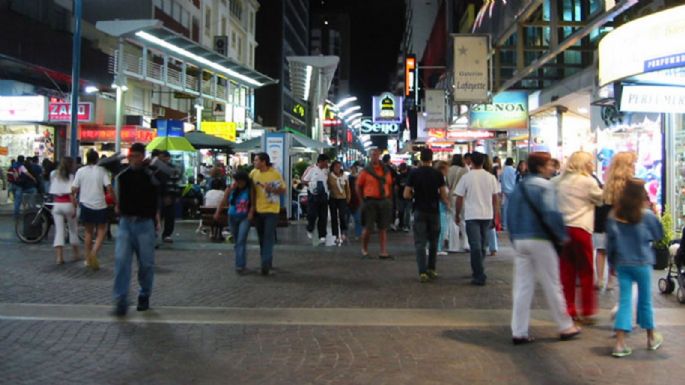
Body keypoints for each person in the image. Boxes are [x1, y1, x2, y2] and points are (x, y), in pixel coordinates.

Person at [506, 152, 581, 345]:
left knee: (522, 287)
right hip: (541, 239)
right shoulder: (546, 187)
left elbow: (510, 214)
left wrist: (514, 238)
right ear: (540, 167)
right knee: (552, 284)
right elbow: (551, 214)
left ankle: (519, 330)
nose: (552, 168)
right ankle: (565, 325)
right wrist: (561, 235)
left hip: (521, 240)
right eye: (549, 165)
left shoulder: (519, 187)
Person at [606, 178, 664, 357]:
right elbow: (658, 234)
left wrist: (611, 263)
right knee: (645, 301)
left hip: (623, 263)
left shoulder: (615, 215)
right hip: (642, 262)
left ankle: (620, 343)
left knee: (624, 301)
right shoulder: (646, 215)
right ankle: (651, 337)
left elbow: (610, 243)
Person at [556, 151, 603, 323]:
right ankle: (588, 310)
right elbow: (601, 199)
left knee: (566, 272)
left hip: (563, 230)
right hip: (581, 229)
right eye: (590, 162)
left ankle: (569, 309)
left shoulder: (560, 182)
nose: (592, 164)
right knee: (586, 271)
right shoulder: (588, 182)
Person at [112, 143, 159, 316]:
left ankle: (144, 294)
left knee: (146, 263)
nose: (134, 159)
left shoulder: (151, 175)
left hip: (145, 223)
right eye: (132, 156)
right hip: (126, 222)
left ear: (143, 157)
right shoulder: (122, 176)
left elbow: (158, 196)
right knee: (121, 261)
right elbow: (117, 198)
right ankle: (121, 299)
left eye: (137, 156)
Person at [455, 151, 500, 286]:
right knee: (482, 245)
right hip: (487, 215)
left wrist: (457, 214)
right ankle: (479, 270)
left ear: (471, 162)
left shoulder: (467, 177)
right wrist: (496, 215)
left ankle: (478, 272)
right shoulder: (491, 177)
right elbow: (495, 198)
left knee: (475, 245)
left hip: (472, 215)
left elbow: (459, 197)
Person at [405, 148, 448, 282]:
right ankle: (432, 268)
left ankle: (422, 272)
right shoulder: (438, 174)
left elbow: (406, 194)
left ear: (420, 158)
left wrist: (414, 195)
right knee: (434, 242)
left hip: (419, 210)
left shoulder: (414, 173)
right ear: (431, 158)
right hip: (434, 211)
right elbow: (443, 194)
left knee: (420, 243)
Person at [596, 152, 637, 291]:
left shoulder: (608, 181)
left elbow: (602, 202)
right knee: (617, 251)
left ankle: (600, 279)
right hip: (621, 222)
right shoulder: (630, 183)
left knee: (601, 250)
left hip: (604, 220)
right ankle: (611, 280)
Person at [72, 149, 113, 270]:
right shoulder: (102, 171)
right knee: (102, 231)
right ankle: (94, 253)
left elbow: (73, 188)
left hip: (85, 203)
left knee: (88, 232)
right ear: (97, 159)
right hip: (100, 204)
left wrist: (74, 198)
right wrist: (113, 199)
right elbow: (109, 187)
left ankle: (87, 259)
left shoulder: (80, 171)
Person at [249, 152, 286, 275]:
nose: (254, 162)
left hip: (271, 210)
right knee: (261, 238)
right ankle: (266, 260)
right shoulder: (253, 173)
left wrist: (272, 189)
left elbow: (283, 189)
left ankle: (265, 264)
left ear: (263, 162)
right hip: (258, 210)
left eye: (256, 160)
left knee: (268, 236)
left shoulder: (274, 173)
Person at [356, 148, 394, 259]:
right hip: (370, 201)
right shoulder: (366, 171)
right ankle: (364, 250)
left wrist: (389, 199)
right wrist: (362, 201)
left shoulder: (386, 171)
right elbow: (358, 186)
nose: (375, 157)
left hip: (383, 201)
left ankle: (383, 251)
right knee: (368, 227)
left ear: (379, 156)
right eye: (373, 155)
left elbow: (389, 185)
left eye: (376, 155)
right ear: (370, 156)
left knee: (383, 228)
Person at [215, 171, 253, 274]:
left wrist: (250, 213)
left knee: (241, 240)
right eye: (237, 181)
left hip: (244, 218)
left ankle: (240, 265)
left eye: (240, 181)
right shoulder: (231, 189)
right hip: (232, 217)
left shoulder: (249, 190)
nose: (238, 183)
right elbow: (223, 201)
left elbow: (253, 203)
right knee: (237, 241)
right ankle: (240, 262)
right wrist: (217, 212)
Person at [49, 157, 80, 265]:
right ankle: (76, 254)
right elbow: (71, 194)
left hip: (57, 204)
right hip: (68, 204)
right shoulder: (71, 177)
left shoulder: (53, 174)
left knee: (59, 231)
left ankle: (59, 257)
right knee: (73, 229)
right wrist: (75, 207)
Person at [302, 154, 330, 245]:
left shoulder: (326, 171)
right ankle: (310, 228)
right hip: (313, 196)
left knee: (323, 216)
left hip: (324, 196)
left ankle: (322, 235)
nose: (327, 164)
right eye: (326, 162)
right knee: (312, 214)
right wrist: (311, 186)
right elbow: (304, 180)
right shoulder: (311, 169)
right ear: (321, 161)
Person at [155, 151, 180, 243]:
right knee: (158, 215)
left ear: (168, 158)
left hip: (171, 195)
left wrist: (176, 195)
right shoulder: (156, 169)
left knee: (170, 216)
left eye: (163, 157)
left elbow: (176, 183)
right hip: (159, 195)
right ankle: (155, 232)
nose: (162, 159)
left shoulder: (173, 169)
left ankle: (167, 234)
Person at [447, 154, 469, 252]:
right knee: (464, 220)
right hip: (463, 196)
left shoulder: (448, 169)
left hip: (452, 196)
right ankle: (466, 244)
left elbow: (446, 184)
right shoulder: (464, 170)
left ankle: (453, 246)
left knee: (453, 220)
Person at [328, 160, 351, 245]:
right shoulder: (330, 176)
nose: (337, 168)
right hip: (333, 198)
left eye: (339, 166)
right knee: (334, 217)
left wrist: (348, 197)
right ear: (333, 167)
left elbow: (347, 188)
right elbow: (327, 186)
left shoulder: (344, 176)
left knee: (342, 216)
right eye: (336, 167)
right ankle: (336, 235)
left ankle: (343, 232)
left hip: (342, 198)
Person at [483, 155, 501, 256]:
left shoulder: (472, 174)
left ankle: (484, 246)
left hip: (480, 202)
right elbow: (496, 194)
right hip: (489, 202)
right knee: (491, 226)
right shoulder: (492, 175)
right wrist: (497, 210)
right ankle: (493, 248)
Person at [434, 160, 450, 256]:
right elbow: (442, 193)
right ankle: (438, 248)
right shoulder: (441, 179)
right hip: (441, 206)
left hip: (437, 206)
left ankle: (437, 247)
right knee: (441, 228)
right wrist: (447, 202)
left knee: (439, 227)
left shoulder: (434, 178)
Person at [347, 161, 363, 240]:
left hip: (357, 201)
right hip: (349, 200)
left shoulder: (358, 178)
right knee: (347, 219)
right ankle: (345, 234)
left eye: (354, 169)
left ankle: (358, 234)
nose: (353, 170)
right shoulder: (347, 178)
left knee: (358, 219)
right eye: (352, 168)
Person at [501, 158, 516, 231]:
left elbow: (501, 181)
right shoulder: (514, 170)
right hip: (513, 191)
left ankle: (504, 225)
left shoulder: (503, 171)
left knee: (505, 209)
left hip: (505, 192)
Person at [395, 163, 412, 232]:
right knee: (403, 212)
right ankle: (403, 225)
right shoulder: (407, 176)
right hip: (405, 196)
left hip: (405, 196)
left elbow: (396, 187)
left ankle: (404, 225)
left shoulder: (400, 176)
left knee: (404, 212)